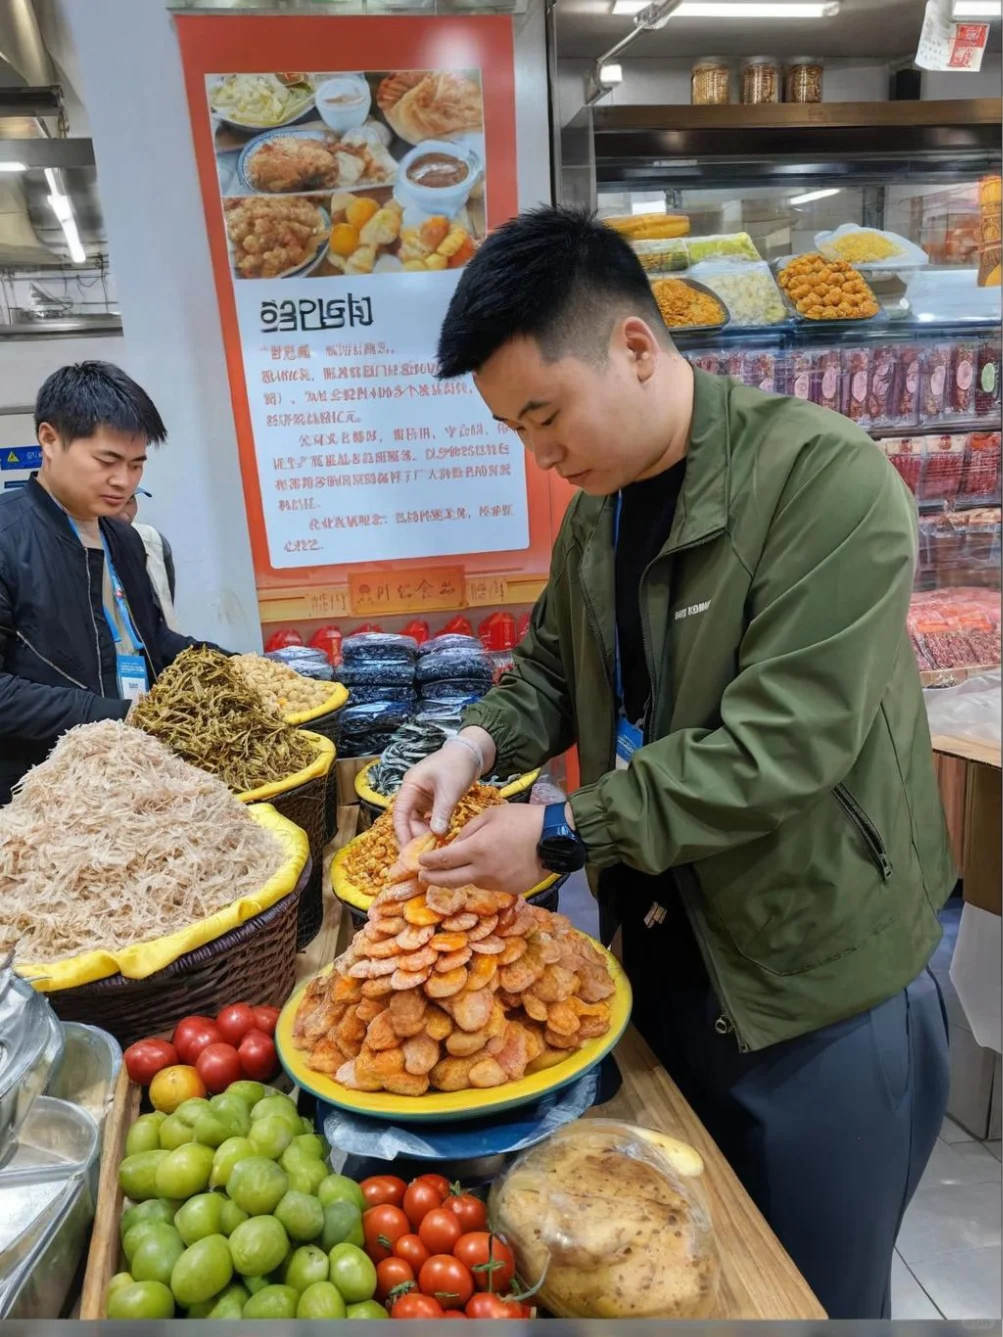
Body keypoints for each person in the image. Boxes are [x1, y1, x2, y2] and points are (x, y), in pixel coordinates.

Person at [392, 207, 955, 1319]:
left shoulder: (824, 484)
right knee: (677, 1276)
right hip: (659, 967)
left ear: (637, 349)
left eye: (543, 414)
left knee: (811, 1296)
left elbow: (781, 743)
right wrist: (470, 744)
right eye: (513, 428)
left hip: (812, 991)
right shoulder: (598, 512)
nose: (537, 454)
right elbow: (552, 668)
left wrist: (558, 834)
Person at [0, 361, 212, 802]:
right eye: (107, 461)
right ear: (49, 439)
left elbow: (149, 638)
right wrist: (116, 715)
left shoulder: (123, 537)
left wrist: (226, 667)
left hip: (132, 776)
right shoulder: (8, 536)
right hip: (40, 790)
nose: (124, 481)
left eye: (137, 465)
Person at [119, 488, 180, 632]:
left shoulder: (153, 540)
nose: (124, 516)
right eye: (114, 502)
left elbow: (165, 607)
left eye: (130, 501)